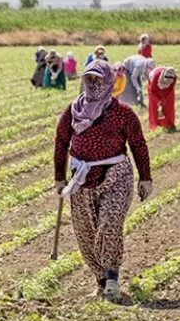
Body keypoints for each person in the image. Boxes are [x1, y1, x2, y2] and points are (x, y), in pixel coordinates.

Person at [54, 60, 153, 302]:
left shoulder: (123, 113)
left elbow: (138, 144)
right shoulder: (73, 111)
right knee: (86, 232)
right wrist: (59, 177)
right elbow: (61, 142)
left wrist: (145, 177)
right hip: (81, 178)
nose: (94, 84)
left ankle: (111, 278)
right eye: (89, 79)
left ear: (109, 81)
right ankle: (99, 280)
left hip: (116, 175)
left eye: (99, 79)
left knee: (109, 223)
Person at [147, 66, 178, 131]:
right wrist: (158, 101)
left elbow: (170, 89)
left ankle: (169, 123)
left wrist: (165, 99)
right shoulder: (156, 76)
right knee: (154, 105)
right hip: (155, 86)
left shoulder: (174, 77)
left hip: (167, 89)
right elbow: (152, 92)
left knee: (169, 105)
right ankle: (156, 123)